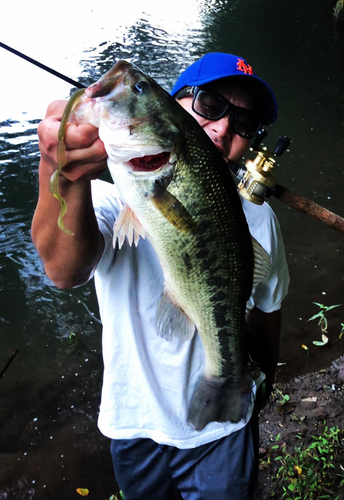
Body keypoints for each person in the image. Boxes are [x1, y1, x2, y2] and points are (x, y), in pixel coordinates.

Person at [32, 52, 289, 500]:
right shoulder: (110, 200)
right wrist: (60, 173)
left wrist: (257, 382)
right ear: (176, 104)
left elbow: (267, 312)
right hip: (136, 423)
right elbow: (62, 271)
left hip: (222, 434)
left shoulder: (261, 220)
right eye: (210, 105)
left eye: (244, 123)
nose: (225, 128)